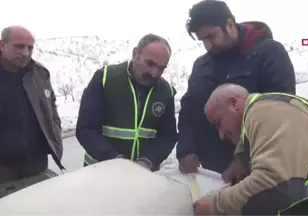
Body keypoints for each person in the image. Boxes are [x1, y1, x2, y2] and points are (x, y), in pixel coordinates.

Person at [193, 83, 308, 216]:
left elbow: (275, 185)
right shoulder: (267, 113)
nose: (221, 135)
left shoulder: (265, 110)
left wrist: (216, 205)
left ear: (234, 103)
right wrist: (241, 161)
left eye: (218, 123)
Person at [177, 0, 296, 183]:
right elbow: (188, 111)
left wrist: (243, 159)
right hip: (211, 174)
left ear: (230, 25)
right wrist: (186, 150)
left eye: (211, 36)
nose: (208, 46)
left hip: (257, 171)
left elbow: (281, 114)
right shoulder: (201, 66)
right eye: (203, 41)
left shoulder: (269, 54)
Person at [76, 34, 177, 171]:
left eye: (161, 68)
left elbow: (167, 136)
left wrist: (148, 160)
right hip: (100, 173)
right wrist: (114, 160)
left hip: (143, 175)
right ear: (136, 54)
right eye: (150, 64)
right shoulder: (105, 79)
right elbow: (86, 129)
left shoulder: (166, 92)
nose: (154, 73)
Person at [0, 26, 64, 198]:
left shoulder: (39, 73)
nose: (26, 53)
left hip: (36, 164)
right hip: (3, 170)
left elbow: (52, 111)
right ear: (2, 45)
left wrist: (56, 140)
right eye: (19, 46)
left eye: (30, 47)